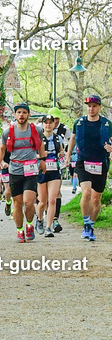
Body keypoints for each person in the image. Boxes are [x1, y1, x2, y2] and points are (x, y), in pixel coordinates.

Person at [64, 94, 112, 242]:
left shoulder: (107, 124)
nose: (91, 109)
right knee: (86, 193)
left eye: (94, 106)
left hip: (101, 162)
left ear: (99, 107)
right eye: (89, 106)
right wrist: (67, 156)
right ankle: (86, 224)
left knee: (96, 198)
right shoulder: (79, 122)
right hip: (83, 162)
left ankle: (91, 225)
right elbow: (72, 138)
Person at [0, 103, 46, 243]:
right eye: (19, 112)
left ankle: (29, 224)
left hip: (31, 169)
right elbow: (1, 149)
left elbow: (40, 145)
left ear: (28, 115)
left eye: (24, 112)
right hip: (15, 170)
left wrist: (42, 160)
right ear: (15, 115)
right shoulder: (8, 132)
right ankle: (19, 231)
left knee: (28, 202)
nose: (21, 115)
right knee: (17, 204)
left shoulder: (36, 130)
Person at [36, 114, 63, 237]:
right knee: (42, 202)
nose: (48, 125)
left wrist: (62, 153)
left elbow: (61, 151)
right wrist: (41, 155)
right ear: (42, 125)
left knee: (52, 200)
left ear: (53, 124)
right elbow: (32, 154)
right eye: (45, 123)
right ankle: (40, 219)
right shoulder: (38, 139)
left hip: (54, 171)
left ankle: (48, 227)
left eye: (50, 123)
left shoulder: (58, 138)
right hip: (42, 170)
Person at [49, 107, 73, 232]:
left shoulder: (64, 129)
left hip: (59, 164)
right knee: (43, 195)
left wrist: (68, 154)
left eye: (57, 118)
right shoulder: (42, 128)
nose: (55, 121)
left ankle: (55, 219)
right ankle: (44, 215)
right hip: (44, 164)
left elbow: (72, 140)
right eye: (53, 119)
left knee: (56, 192)